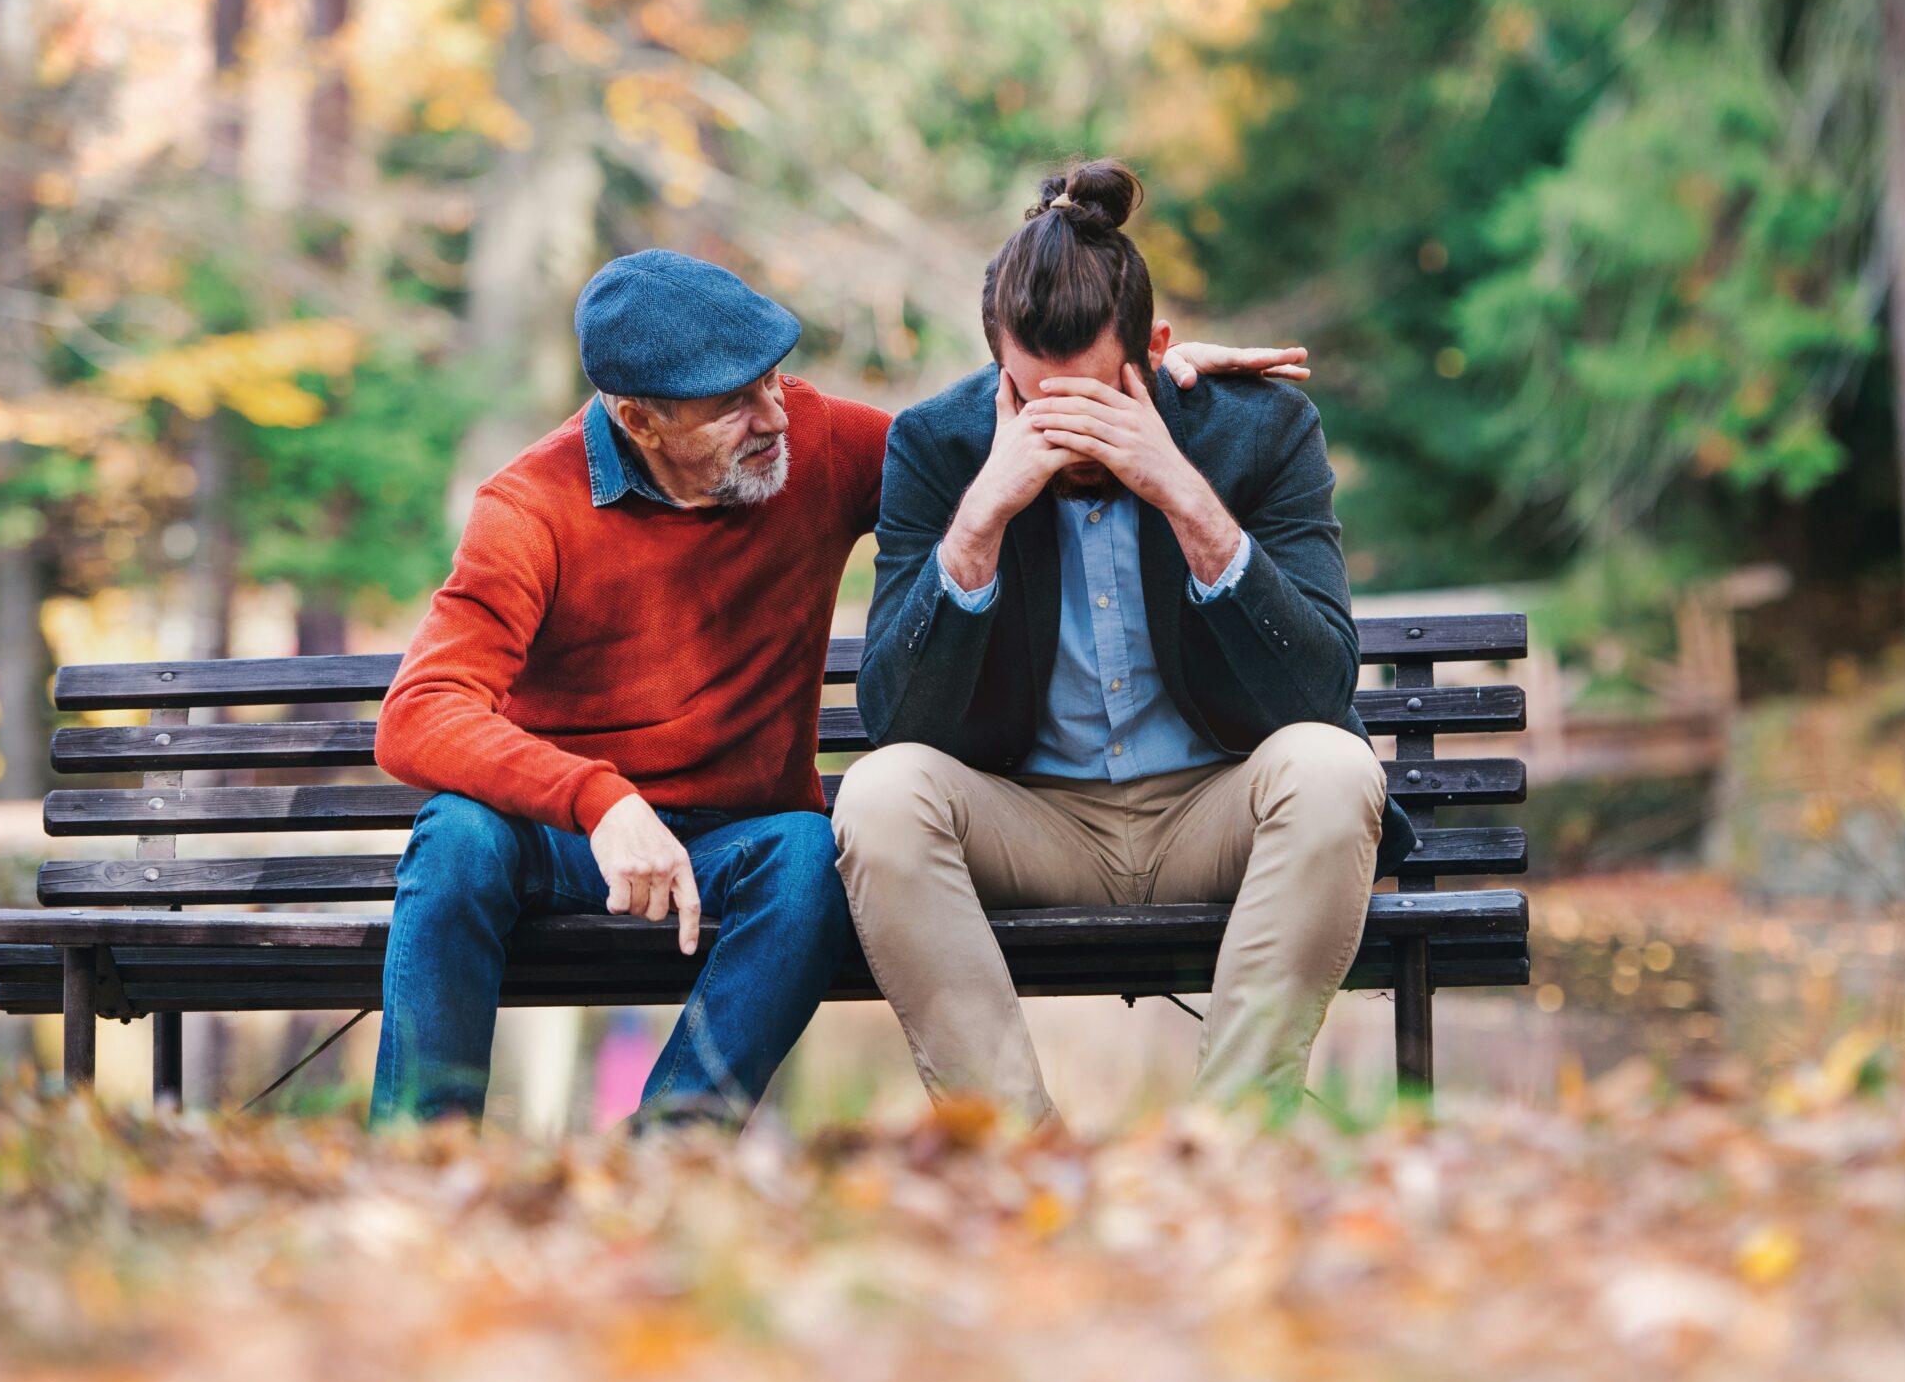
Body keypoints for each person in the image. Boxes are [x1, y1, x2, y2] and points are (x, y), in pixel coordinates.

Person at [370, 245, 1305, 1126]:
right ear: (637, 418)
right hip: (574, 839)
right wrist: (598, 800)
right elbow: (420, 713)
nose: (777, 414)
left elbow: (969, 444)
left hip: (742, 840)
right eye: (735, 402)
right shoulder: (529, 507)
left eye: (774, 378)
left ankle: (672, 1148)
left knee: (811, 856)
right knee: (456, 838)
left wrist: (1156, 389)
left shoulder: (809, 444)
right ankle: (422, 1158)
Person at [835, 160, 1410, 1126]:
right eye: (1037, 398)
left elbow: (1320, 685)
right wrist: (979, 520)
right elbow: (897, 718)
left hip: (1215, 807)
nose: (1070, 434)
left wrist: (1182, 490)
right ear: (996, 370)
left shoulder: (1258, 432)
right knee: (880, 795)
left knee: (1334, 767)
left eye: (1097, 398)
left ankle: (1226, 1143)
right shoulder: (938, 449)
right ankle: (1019, 1154)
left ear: (1156, 351)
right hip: (1034, 820)